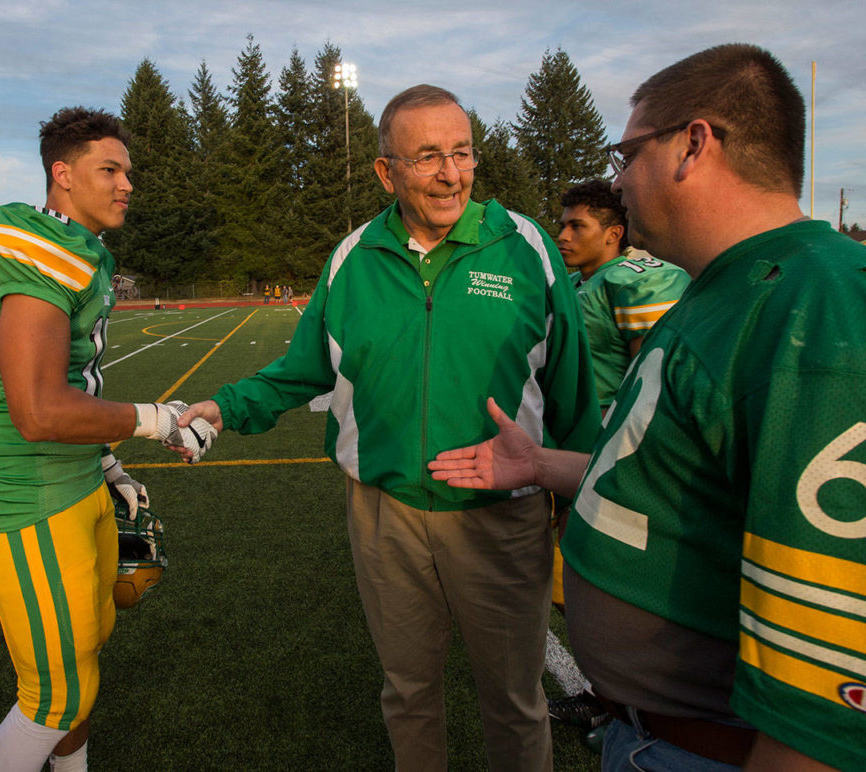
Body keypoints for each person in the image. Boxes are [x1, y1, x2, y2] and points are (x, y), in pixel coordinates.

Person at [429, 44, 866, 771]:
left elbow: (835, 669)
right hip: (656, 736)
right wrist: (541, 462)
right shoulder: (729, 286)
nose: (617, 178)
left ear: (694, 145)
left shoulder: (818, 311)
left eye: (627, 151)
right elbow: (676, 480)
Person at [176, 84, 601, 771]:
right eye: (428, 156)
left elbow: (574, 389)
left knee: (514, 702)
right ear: (387, 172)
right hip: (385, 516)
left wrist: (574, 497)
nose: (450, 173)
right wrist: (224, 406)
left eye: (461, 153)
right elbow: (300, 369)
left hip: (504, 516)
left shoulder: (526, 250)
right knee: (407, 693)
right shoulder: (352, 259)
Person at [0, 106, 213, 772]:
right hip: (27, 491)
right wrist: (155, 419)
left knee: (86, 654)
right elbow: (38, 410)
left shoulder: (84, 253)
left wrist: (106, 463)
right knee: (56, 696)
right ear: (61, 175)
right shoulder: (35, 245)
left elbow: (73, 381)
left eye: (128, 170)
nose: (127, 183)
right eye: (110, 169)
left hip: (74, 479)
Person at [546, 180, 690, 731]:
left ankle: (632, 695)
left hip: (617, 457)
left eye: (576, 226)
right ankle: (608, 689)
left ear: (614, 233)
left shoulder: (638, 278)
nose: (562, 235)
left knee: (614, 584)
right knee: (573, 582)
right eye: (561, 224)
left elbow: (654, 380)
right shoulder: (584, 280)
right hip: (576, 449)